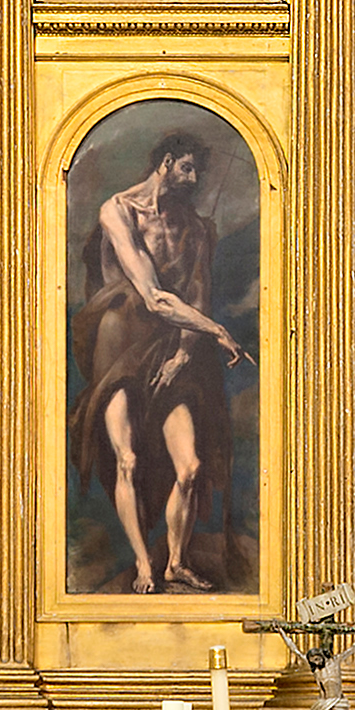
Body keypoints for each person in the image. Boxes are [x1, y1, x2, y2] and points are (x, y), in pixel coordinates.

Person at [69, 132, 239, 594]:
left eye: (198, 170)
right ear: (166, 163)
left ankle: (176, 563)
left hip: (174, 346)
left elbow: (197, 293)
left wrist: (186, 351)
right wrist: (217, 331)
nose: (195, 178)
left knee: (190, 467)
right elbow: (155, 297)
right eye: (188, 168)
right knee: (127, 458)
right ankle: (145, 565)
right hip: (119, 342)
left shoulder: (198, 227)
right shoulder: (117, 211)